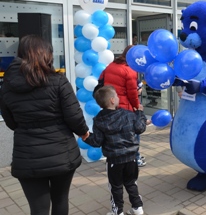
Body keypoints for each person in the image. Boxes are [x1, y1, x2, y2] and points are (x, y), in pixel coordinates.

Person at [0, 35, 89, 215]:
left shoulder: (7, 85)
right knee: (60, 201)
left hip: (27, 155)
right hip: (61, 152)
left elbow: (10, 122)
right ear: (46, 54)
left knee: (38, 209)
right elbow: (74, 116)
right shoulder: (58, 81)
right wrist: (83, 132)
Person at [84, 85, 147, 215]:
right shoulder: (128, 115)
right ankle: (137, 207)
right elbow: (140, 128)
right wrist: (140, 113)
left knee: (116, 187)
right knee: (131, 183)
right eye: (117, 96)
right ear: (112, 100)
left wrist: (86, 137)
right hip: (131, 158)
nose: (118, 98)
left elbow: (97, 141)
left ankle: (118, 211)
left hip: (114, 160)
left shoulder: (99, 120)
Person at [99, 45, 147, 167]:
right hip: (125, 108)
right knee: (132, 135)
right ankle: (135, 158)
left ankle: (112, 159)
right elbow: (131, 94)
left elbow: (102, 80)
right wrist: (137, 107)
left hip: (111, 105)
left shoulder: (111, 65)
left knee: (113, 135)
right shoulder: (129, 70)